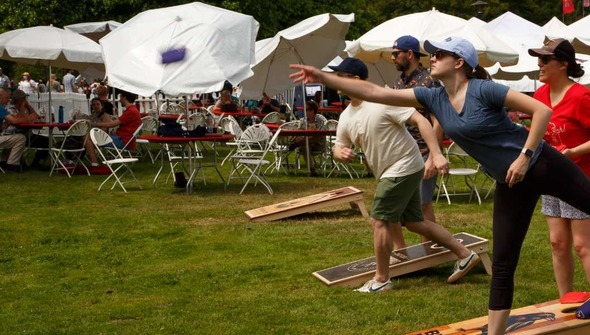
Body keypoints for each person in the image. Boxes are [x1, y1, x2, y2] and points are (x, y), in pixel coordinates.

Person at [289, 37, 590, 335]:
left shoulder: (484, 89)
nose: (431, 58)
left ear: (459, 63)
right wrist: (322, 77)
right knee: (502, 263)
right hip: (510, 182)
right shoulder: (433, 97)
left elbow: (541, 112)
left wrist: (524, 157)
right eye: (431, 54)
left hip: (542, 164)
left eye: (439, 54)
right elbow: (373, 91)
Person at [322, 57, 479, 292]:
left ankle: (381, 279)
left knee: (380, 221)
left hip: (403, 166)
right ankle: (465, 254)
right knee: (415, 222)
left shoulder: (383, 100)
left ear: (355, 80)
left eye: (339, 76)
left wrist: (435, 155)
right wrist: (339, 151)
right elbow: (338, 143)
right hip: (390, 171)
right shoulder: (346, 115)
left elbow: (420, 121)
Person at [528, 38, 590, 297]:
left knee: (582, 245)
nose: (539, 64)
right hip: (551, 178)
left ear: (563, 64)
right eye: (538, 59)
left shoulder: (581, 96)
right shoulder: (540, 95)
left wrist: (573, 152)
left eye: (545, 59)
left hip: (581, 178)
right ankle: (565, 301)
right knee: (557, 242)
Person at [390, 35, 442, 248]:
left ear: (409, 54)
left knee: (422, 205)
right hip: (401, 153)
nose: (392, 58)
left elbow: (438, 121)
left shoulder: (429, 81)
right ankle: (400, 252)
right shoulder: (399, 82)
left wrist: (433, 156)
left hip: (422, 151)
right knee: (395, 205)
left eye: (396, 54)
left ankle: (430, 251)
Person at [85, 90, 142, 169]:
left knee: (89, 139)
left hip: (122, 141)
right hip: (125, 139)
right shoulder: (133, 110)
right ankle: (93, 160)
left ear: (125, 97)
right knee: (93, 139)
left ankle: (95, 165)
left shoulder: (131, 111)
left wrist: (94, 124)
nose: (119, 100)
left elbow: (111, 124)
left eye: (120, 97)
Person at [288, 100, 326, 177]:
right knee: (305, 145)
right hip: (306, 143)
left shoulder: (321, 119)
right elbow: (298, 132)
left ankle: (298, 144)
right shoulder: (303, 120)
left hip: (318, 143)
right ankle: (312, 170)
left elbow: (320, 133)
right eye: (305, 110)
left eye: (309, 110)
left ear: (314, 110)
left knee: (315, 136)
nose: (307, 112)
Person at [0, 88, 27, 171]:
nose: (8, 100)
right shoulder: (1, 108)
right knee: (21, 138)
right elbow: (14, 121)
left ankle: (4, 161)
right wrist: (27, 119)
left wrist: (8, 122)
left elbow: (3, 127)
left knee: (12, 138)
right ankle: (12, 163)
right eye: (7, 98)